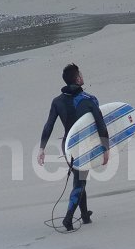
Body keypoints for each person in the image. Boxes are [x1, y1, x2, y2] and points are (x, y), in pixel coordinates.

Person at [38, 63, 109, 231]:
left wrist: (42, 148)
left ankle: (84, 215)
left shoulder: (57, 102)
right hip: (84, 145)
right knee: (80, 181)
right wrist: (106, 148)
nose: (82, 76)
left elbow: (49, 125)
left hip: (68, 145)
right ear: (77, 79)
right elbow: (100, 125)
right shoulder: (89, 100)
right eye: (81, 74)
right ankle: (68, 218)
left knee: (80, 177)